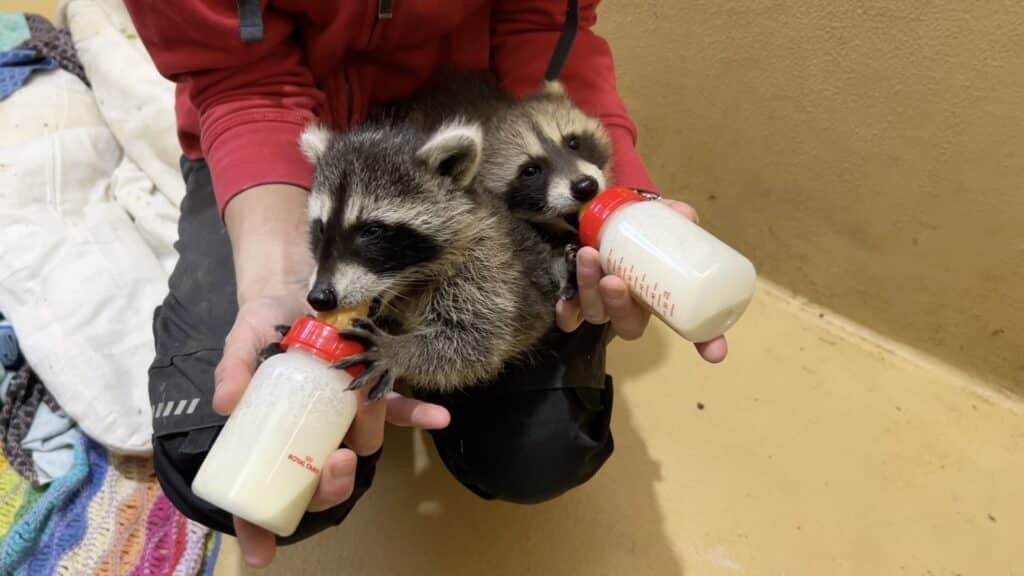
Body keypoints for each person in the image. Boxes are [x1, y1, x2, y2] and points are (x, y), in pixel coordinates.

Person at [124, 0, 729, 568]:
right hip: (292, 138)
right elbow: (239, 78)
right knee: (209, 445)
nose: (324, 287)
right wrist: (273, 272)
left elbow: (544, 30)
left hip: (472, 132)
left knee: (543, 452)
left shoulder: (466, 214)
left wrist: (620, 206)